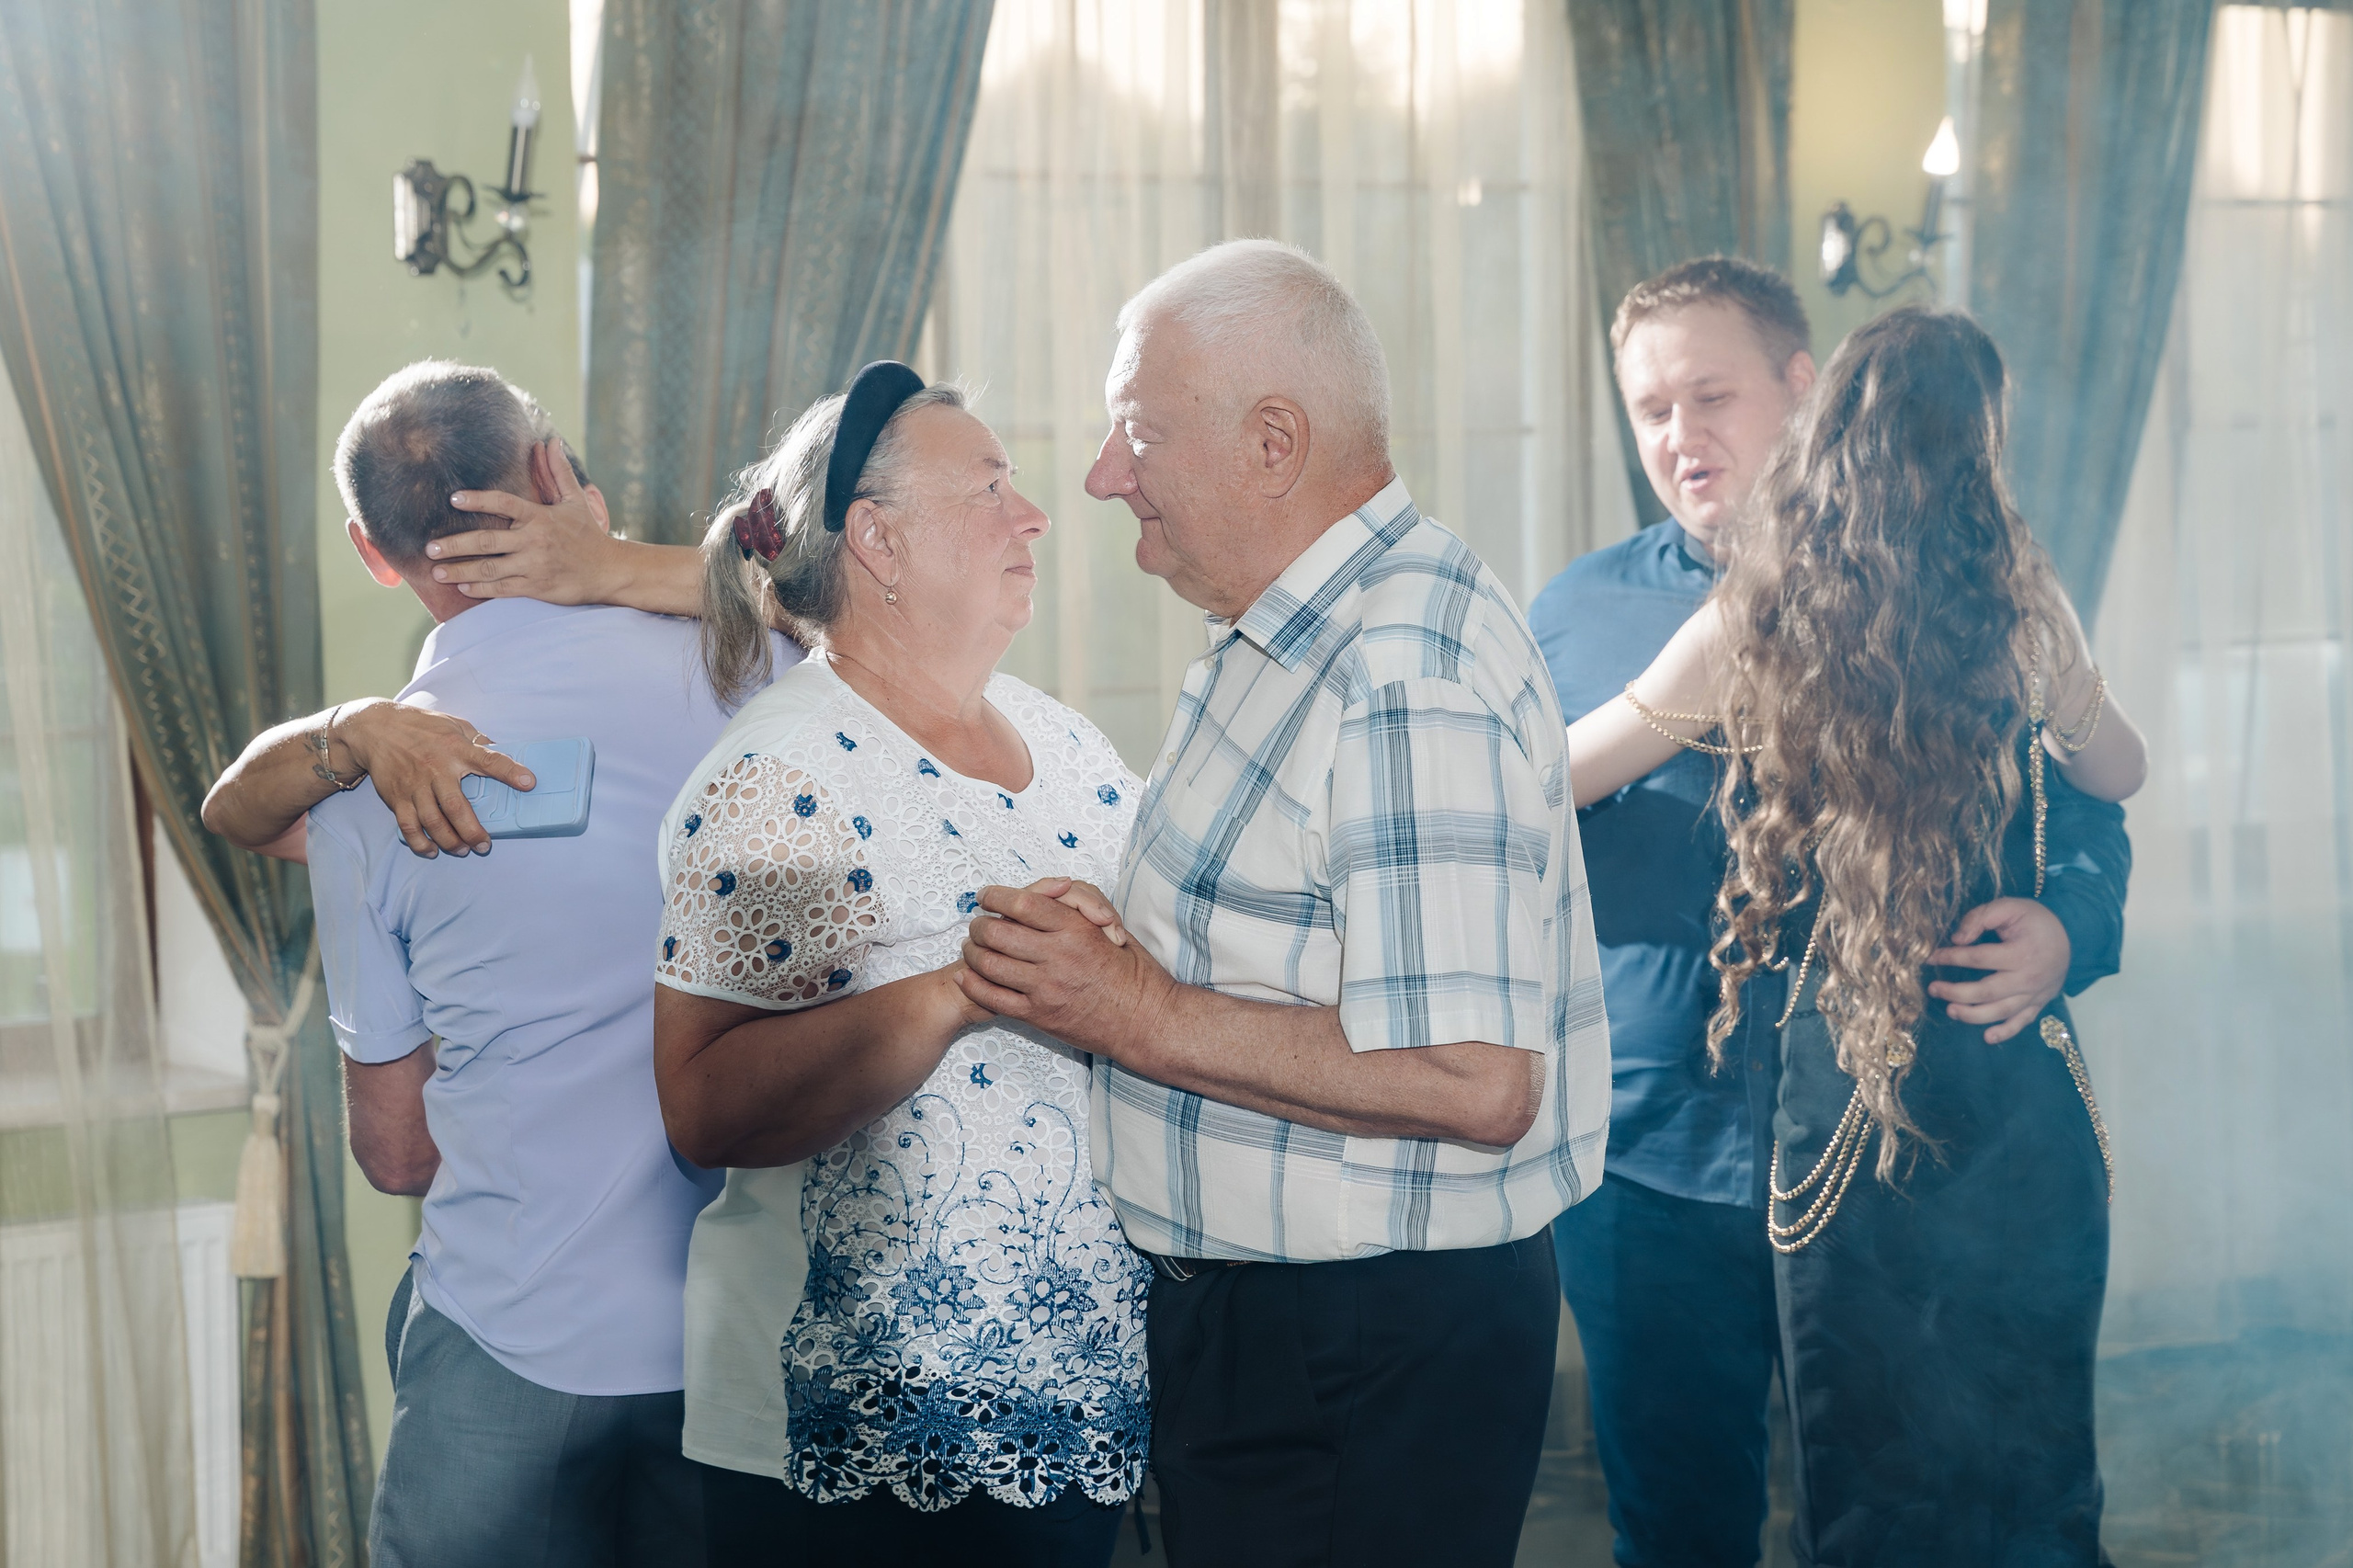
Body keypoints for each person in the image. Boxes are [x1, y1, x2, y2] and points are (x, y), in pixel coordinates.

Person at [954, 239, 1610, 1568]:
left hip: (1360, 1347)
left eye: (1135, 431)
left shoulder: (1400, 668)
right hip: (1298, 1333)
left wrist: (1134, 1008)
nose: (1097, 475)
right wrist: (1141, 953)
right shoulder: (1296, 621)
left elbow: (1476, 1077)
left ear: (1273, 441)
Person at [1520, 257, 2132, 1566]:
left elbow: (2090, 814)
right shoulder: (1570, 613)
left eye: (1710, 394)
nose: (1678, 435)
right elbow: (1509, 827)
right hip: (1650, 1160)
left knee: (1913, 1509)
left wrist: (2068, 928)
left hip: (1902, 1147)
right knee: (1675, 1529)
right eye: (1649, 408)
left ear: (1807, 388)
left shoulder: (1973, 603)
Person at [199, 360, 796, 1568]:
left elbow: (398, 1151)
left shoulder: (371, 786)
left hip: (508, 1348)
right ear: (551, 473)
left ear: (378, 555)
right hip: (736, 1347)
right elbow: (886, 632)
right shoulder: (765, 677)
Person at [646, 363, 1150, 1567]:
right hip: (851, 1452)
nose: (1031, 515)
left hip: (1068, 1408)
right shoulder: (780, 775)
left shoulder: (1069, 744)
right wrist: (959, 990)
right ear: (876, 537)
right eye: (988, 488)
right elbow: (703, 1105)